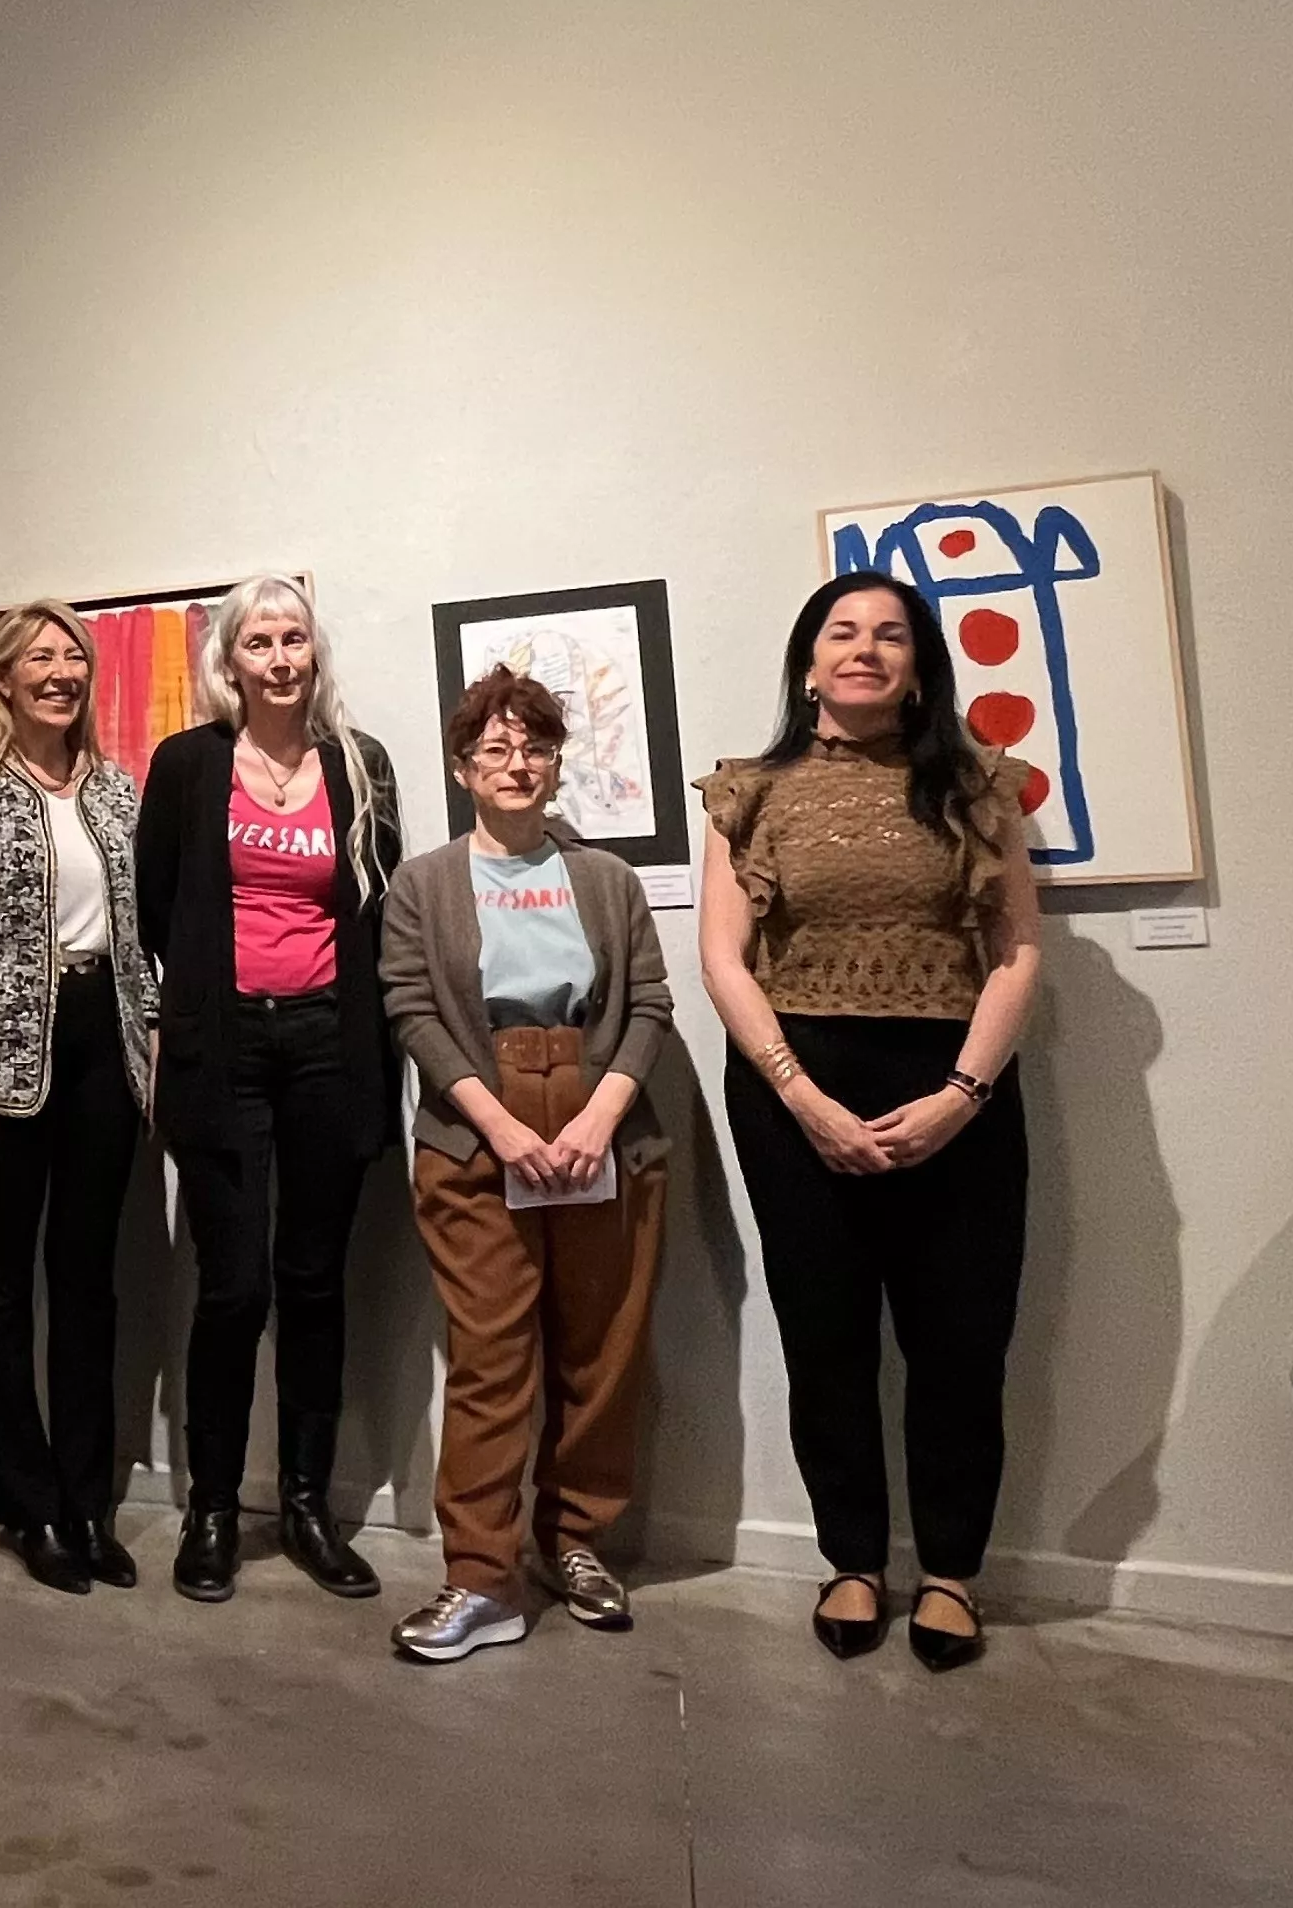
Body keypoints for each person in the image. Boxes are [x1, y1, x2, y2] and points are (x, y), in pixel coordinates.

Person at [698, 571, 1041, 1674]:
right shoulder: (745, 791)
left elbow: (1015, 952)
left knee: (957, 1343)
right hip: (790, 1083)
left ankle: (948, 1572)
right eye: (839, 632)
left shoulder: (980, 782)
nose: (862, 649)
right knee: (826, 1340)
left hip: (955, 1085)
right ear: (806, 664)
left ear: (916, 665)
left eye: (888, 635)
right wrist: (800, 1097)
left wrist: (960, 1096)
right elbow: (719, 958)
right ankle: (850, 1558)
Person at [378, 669, 676, 1661]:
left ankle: (574, 1540)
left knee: (600, 1351)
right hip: (474, 1138)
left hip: (603, 1132)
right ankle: (479, 1578)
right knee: (490, 1362)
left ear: (555, 764)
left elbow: (648, 1009)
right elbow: (411, 1011)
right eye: (494, 750)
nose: (516, 765)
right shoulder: (422, 882)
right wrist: (499, 1127)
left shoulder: (606, 880)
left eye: (534, 748)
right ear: (462, 768)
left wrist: (596, 1116)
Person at [134, 573, 404, 1603]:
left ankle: (303, 1506)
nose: (280, 658)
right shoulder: (187, 766)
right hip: (224, 1053)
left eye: (294, 638)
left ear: (313, 651)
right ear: (229, 661)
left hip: (330, 1049)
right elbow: (158, 907)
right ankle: (210, 1510)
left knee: (313, 1282)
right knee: (231, 1284)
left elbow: (375, 899)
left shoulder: (357, 765)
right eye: (259, 642)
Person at [0, 603, 159, 1596]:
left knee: (89, 1282)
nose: (58, 672)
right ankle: (26, 1505)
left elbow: (143, 926)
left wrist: (156, 1043)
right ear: (2, 679)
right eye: (38, 658)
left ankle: (86, 1501)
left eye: (72, 657)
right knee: (4, 1282)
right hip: (3, 1056)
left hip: (106, 1040)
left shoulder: (114, 789)